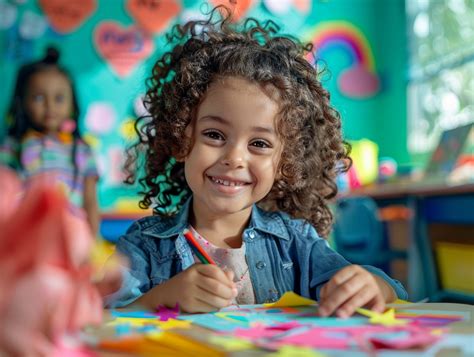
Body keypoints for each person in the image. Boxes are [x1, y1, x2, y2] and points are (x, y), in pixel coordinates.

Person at [106, 7, 408, 317]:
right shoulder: (144, 244)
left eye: (259, 144)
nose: (234, 158)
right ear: (183, 139)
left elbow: (386, 291)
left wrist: (374, 285)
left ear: (284, 163)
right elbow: (99, 318)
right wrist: (163, 297)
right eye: (214, 134)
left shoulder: (296, 242)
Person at [0, 47, 100, 234]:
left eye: (59, 98)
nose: (50, 105)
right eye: (38, 97)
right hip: (26, 235)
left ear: (72, 104)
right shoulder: (12, 147)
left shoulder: (82, 150)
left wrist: (92, 245)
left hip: (71, 235)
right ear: (21, 102)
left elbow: (91, 203)